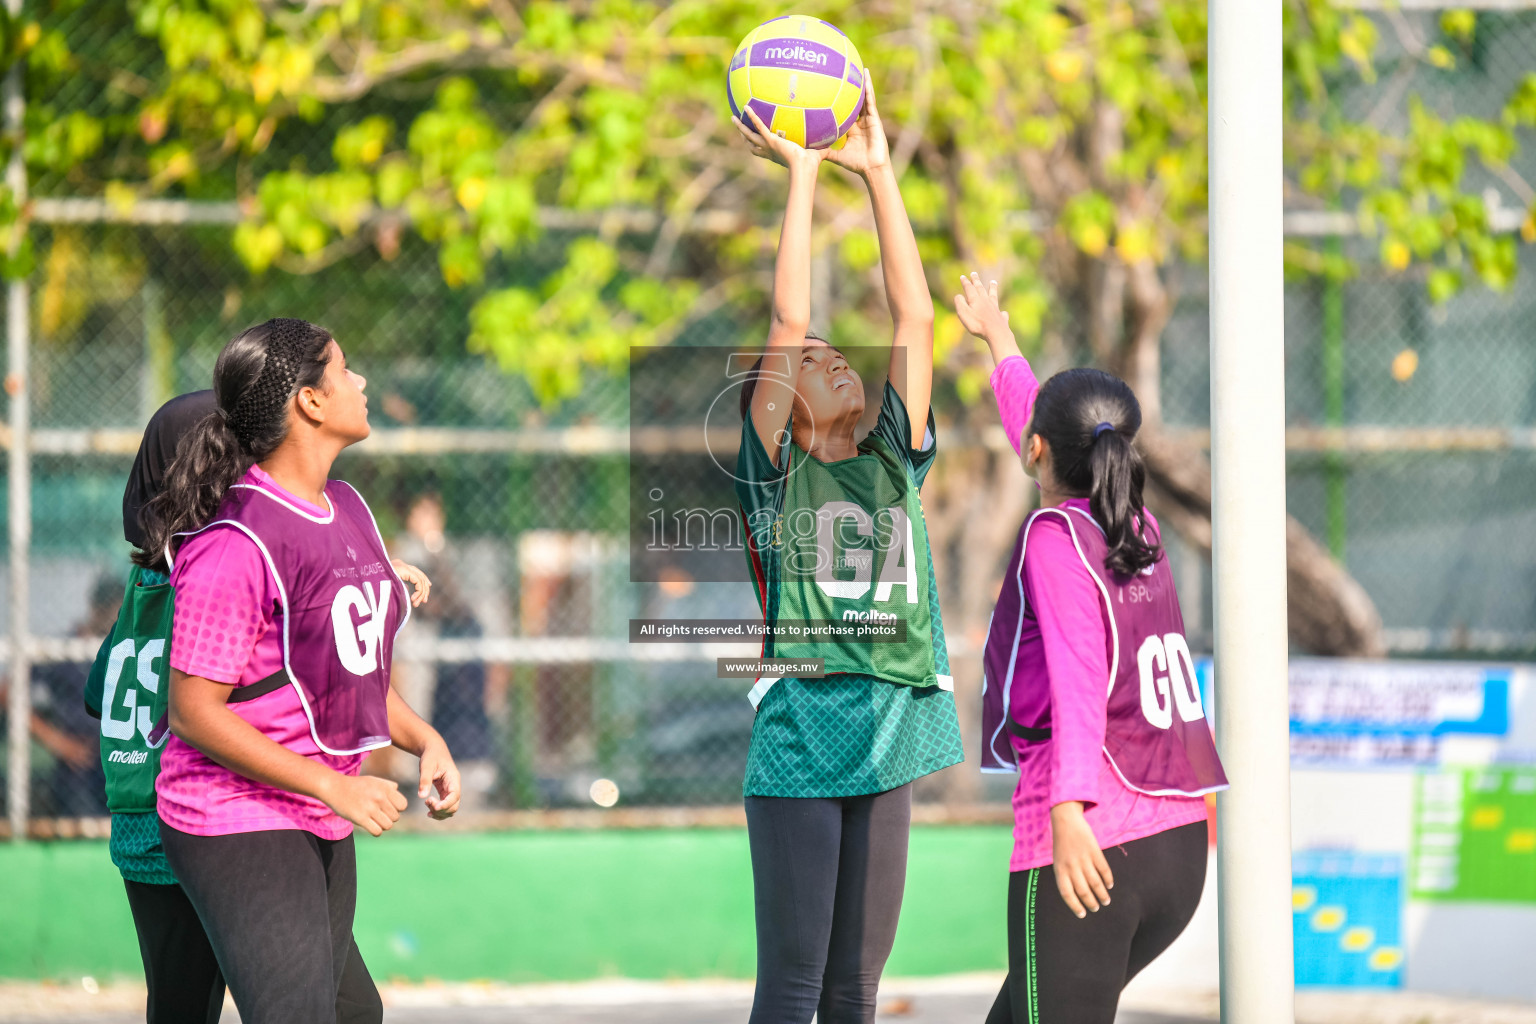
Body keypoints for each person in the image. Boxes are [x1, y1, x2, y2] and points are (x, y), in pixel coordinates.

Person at [137, 319, 461, 1024]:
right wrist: (330, 784)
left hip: (319, 808)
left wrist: (421, 737)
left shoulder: (345, 508)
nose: (362, 382)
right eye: (345, 370)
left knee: (350, 1014)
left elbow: (348, 671)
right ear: (310, 402)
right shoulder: (237, 541)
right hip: (237, 815)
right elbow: (193, 712)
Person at [730, 76, 963, 1024]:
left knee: (854, 992)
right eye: (813, 361)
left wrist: (875, 173)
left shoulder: (893, 462)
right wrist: (802, 171)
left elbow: (915, 318)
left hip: (888, 729)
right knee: (793, 987)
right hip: (801, 734)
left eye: (838, 358)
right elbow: (787, 320)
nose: (832, 361)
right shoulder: (774, 477)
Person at [953, 274, 1228, 1024]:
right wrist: (999, 340)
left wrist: (1068, 813)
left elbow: (1078, 681)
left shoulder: (1052, 538)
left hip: (1091, 844)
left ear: (1038, 449)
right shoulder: (1132, 523)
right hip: (1175, 843)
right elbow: (1051, 434)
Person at [85, 388, 386, 1024]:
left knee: (200, 1006)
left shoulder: (148, 582)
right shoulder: (218, 567)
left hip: (137, 815)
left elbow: (98, 693)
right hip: (206, 817)